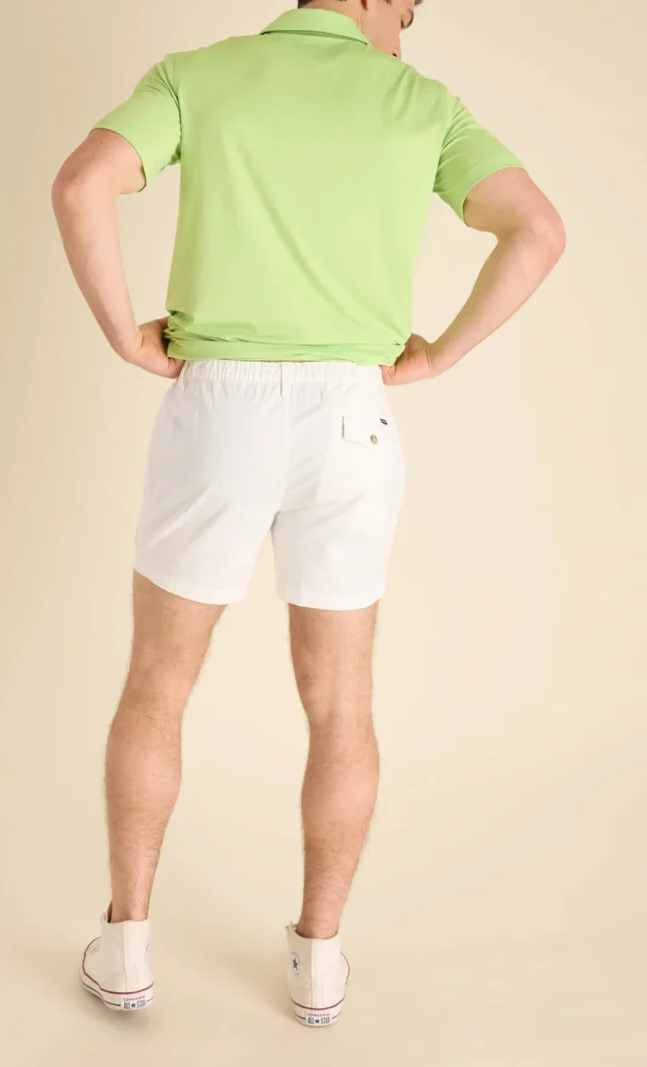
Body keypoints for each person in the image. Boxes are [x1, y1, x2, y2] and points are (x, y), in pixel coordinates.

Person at [52, 0, 565, 1028]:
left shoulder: (199, 74)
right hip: (349, 418)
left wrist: (122, 333)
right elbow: (539, 231)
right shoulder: (419, 103)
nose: (405, 31)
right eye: (407, 11)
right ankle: (318, 959)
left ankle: (127, 944)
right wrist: (439, 352)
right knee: (340, 702)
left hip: (217, 405)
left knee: (158, 682)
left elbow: (80, 184)